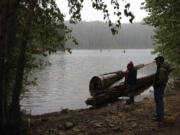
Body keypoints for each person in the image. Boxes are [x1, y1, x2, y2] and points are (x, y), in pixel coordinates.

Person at [153, 56, 173, 121]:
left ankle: (160, 117)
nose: (156, 62)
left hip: (159, 88)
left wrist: (155, 85)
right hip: (160, 88)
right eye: (156, 61)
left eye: (157, 61)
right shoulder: (161, 68)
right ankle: (159, 115)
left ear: (160, 61)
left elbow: (161, 81)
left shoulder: (161, 70)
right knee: (159, 101)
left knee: (159, 102)